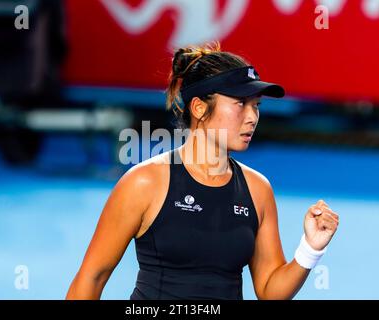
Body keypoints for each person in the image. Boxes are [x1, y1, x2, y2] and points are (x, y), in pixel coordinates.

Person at [66, 42, 339, 300]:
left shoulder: (258, 189)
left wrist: (310, 248)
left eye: (256, 106)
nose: (252, 117)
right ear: (198, 108)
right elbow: (92, 278)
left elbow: (270, 289)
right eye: (240, 103)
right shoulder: (144, 183)